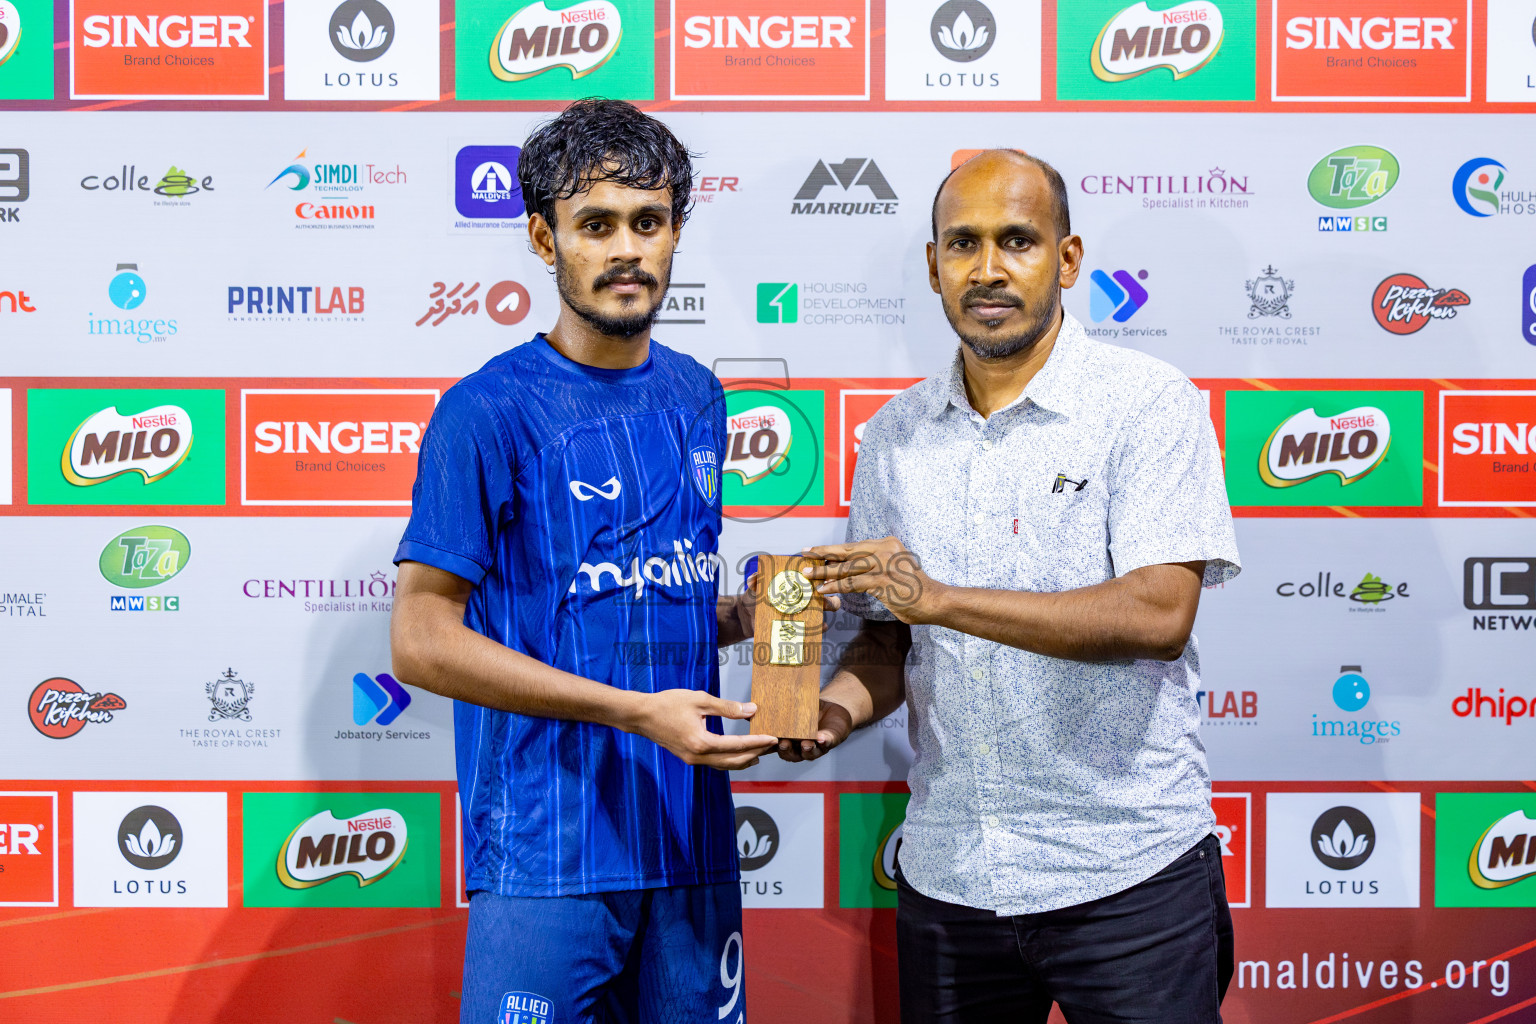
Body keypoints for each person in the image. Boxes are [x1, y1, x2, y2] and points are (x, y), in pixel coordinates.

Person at [781, 149, 1242, 1023]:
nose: (988, 269)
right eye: (963, 244)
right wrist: (830, 713)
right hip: (953, 874)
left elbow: (1158, 611)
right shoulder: (892, 435)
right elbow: (890, 638)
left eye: (1017, 241)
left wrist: (942, 600)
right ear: (933, 266)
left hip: (1127, 873)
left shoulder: (1147, 403)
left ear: (1066, 260)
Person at [389, 99, 772, 1024]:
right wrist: (637, 713)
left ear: (678, 230)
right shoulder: (486, 411)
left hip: (688, 841)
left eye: (649, 222)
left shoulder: (698, 395)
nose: (626, 250)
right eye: (595, 225)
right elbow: (421, 642)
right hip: (546, 851)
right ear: (542, 236)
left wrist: (754, 615)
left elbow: (636, 598)